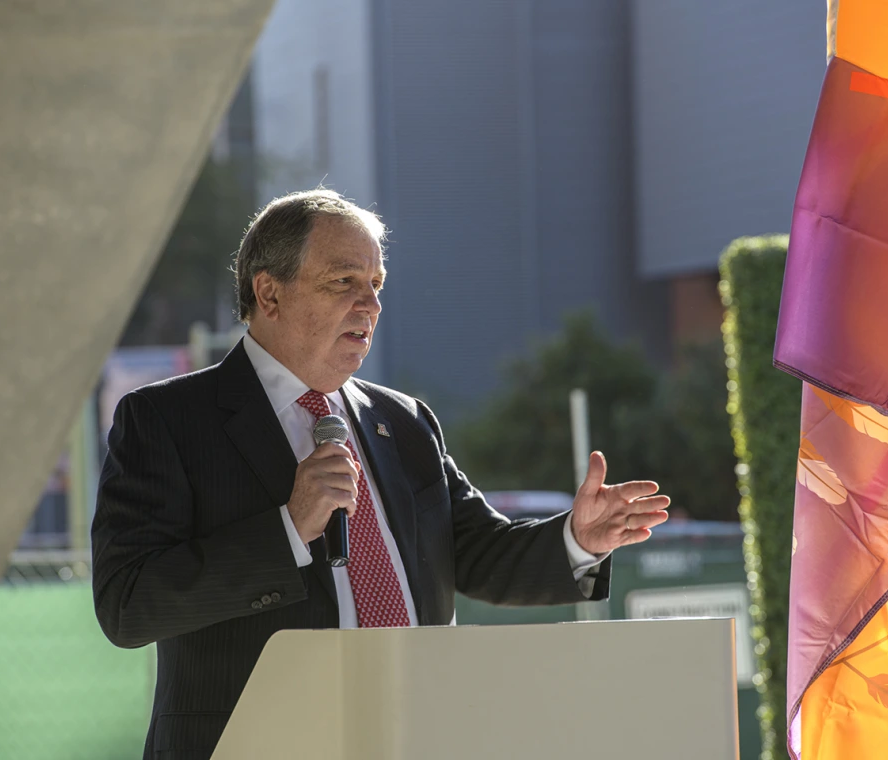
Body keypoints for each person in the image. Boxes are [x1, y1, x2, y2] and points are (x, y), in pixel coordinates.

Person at [91, 189, 670, 759]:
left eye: (377, 285)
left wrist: (577, 539)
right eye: (344, 281)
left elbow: (478, 552)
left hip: (409, 734)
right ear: (268, 292)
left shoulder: (404, 420)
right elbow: (127, 604)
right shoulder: (166, 421)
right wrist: (289, 527)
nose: (369, 304)